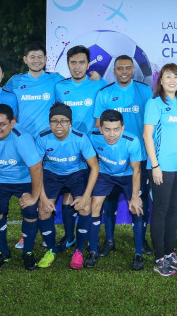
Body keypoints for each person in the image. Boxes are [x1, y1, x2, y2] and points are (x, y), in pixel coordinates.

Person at [94, 55, 154, 258]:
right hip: (112, 157)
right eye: (120, 68)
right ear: (114, 71)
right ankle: (109, 240)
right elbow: (98, 125)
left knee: (141, 198)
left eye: (128, 67)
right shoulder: (105, 93)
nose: (124, 71)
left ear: (133, 70)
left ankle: (141, 240)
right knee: (109, 200)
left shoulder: (144, 91)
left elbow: (152, 121)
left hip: (139, 154)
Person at [0, 104, 47, 271]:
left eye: (1, 124)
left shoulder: (22, 138)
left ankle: (28, 252)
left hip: (25, 180)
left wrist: (34, 197)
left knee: (30, 211)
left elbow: (36, 168)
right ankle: (3, 253)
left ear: (12, 123)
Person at [50, 45, 106, 252]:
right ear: (67, 64)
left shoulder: (99, 84)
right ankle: (69, 237)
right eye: (73, 62)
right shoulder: (59, 87)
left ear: (88, 64)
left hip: (91, 149)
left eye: (81, 62)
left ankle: (91, 238)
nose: (77, 66)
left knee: (90, 196)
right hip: (67, 149)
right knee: (68, 195)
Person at [35, 102, 100, 270]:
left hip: (76, 174)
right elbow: (36, 168)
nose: (59, 125)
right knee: (43, 209)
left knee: (85, 207)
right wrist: (42, 197)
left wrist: (86, 197)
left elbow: (94, 167)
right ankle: (51, 250)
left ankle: (79, 251)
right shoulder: (42, 137)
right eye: (54, 121)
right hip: (52, 174)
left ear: (70, 123)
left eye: (63, 121)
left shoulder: (80, 138)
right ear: (49, 122)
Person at [143, 63, 177, 276]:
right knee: (161, 211)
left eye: (176, 77)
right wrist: (155, 166)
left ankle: (170, 253)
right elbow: (147, 136)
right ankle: (159, 258)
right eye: (168, 76)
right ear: (160, 81)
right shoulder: (154, 103)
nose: (172, 80)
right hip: (161, 166)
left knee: (173, 211)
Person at [90, 110, 147, 270]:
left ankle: (138, 253)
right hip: (105, 174)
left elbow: (136, 170)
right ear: (100, 129)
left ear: (122, 128)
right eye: (107, 129)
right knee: (95, 206)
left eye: (116, 129)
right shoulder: (92, 136)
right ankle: (93, 250)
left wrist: (135, 196)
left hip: (127, 175)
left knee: (136, 208)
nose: (111, 134)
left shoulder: (132, 141)